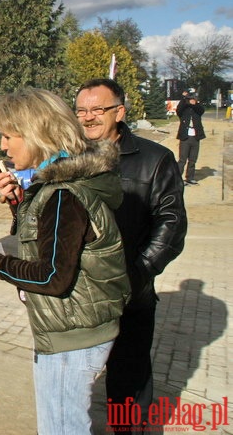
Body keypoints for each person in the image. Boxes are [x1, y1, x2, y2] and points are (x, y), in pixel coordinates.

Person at [0, 88, 130, 434]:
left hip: (71, 336)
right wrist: (20, 204)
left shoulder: (63, 193)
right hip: (73, 330)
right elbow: (42, 244)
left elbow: (52, 276)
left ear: (35, 134)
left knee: (61, 428)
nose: (4, 146)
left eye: (8, 136)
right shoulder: (65, 183)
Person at [75, 78, 187, 429]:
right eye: (81, 110)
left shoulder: (155, 159)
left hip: (130, 294)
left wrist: (138, 273)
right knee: (72, 382)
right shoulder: (67, 157)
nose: (88, 117)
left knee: (128, 384)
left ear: (119, 112)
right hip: (77, 294)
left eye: (98, 109)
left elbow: (171, 226)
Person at [176, 88, 206, 185]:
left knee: (193, 160)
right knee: (182, 160)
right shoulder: (184, 109)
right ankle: (177, 179)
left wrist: (195, 103)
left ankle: (190, 178)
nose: (192, 99)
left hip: (195, 137)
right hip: (185, 137)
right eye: (190, 97)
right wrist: (184, 98)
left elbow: (201, 110)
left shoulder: (197, 108)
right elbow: (179, 109)